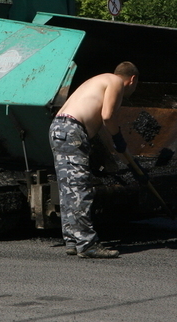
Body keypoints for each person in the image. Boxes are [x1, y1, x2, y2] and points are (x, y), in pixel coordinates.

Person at [49, 61, 139, 259]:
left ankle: (72, 240)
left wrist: (113, 143)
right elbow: (108, 116)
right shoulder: (115, 82)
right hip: (72, 130)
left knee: (68, 189)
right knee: (80, 189)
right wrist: (118, 139)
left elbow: (99, 121)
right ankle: (87, 244)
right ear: (132, 80)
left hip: (58, 127)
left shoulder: (99, 79)